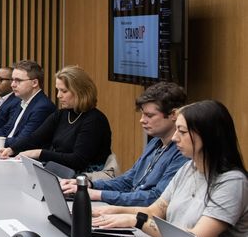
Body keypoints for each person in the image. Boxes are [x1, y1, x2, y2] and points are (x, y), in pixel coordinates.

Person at [94, 100, 248, 237]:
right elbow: (154, 211)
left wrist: (137, 221)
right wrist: (114, 211)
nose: (174, 138)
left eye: (182, 132)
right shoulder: (189, 168)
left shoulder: (232, 182)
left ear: (206, 135)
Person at [60, 82, 188, 205]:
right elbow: (127, 181)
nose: (142, 120)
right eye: (143, 114)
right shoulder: (155, 143)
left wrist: (97, 194)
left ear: (173, 115)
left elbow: (155, 198)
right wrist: (90, 185)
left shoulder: (182, 153)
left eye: (149, 115)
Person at [0, 65, 111, 173]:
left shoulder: (95, 120)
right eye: (58, 90)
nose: (58, 95)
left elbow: (78, 160)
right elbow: (35, 138)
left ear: (80, 92)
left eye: (64, 91)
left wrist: (39, 153)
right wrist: (12, 149)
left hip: (84, 180)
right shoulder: (62, 114)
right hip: (60, 173)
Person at [0, 60, 55, 150]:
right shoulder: (22, 102)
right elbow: (6, 130)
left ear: (34, 83)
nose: (12, 85)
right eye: (13, 80)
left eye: (18, 80)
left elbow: (22, 141)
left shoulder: (42, 107)